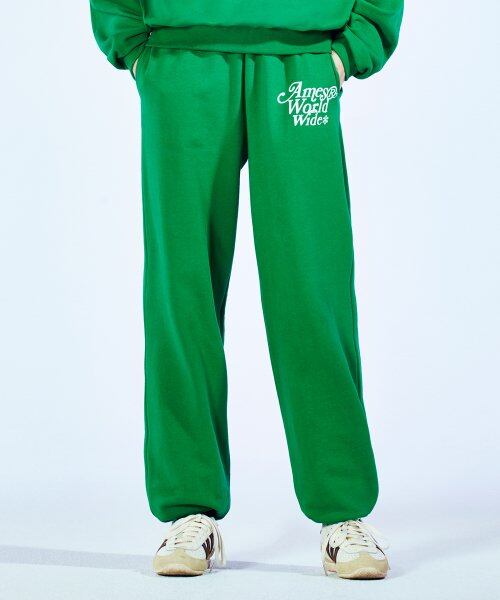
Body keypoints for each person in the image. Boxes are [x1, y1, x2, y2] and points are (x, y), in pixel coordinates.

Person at [90, 0, 403, 580]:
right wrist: (129, 40)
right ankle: (190, 509)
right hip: (180, 57)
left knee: (313, 285)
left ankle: (342, 510)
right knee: (181, 288)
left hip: (303, 57)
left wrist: (354, 46)